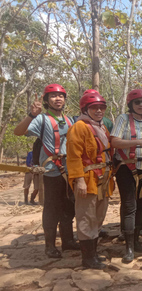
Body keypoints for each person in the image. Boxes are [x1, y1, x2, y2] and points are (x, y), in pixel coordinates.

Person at [14, 84, 78, 258]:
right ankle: (49, 246)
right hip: (52, 170)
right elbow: (18, 132)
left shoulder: (70, 120)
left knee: (69, 206)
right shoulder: (41, 119)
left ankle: (68, 241)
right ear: (46, 100)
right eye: (53, 96)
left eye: (60, 96)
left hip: (70, 169)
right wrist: (31, 115)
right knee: (52, 208)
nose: (58, 99)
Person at [66, 92, 114, 269]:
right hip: (87, 179)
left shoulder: (102, 128)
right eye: (95, 108)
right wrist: (79, 180)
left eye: (102, 107)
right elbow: (73, 156)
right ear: (86, 109)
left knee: (97, 217)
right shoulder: (79, 127)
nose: (99, 110)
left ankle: (93, 254)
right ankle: (87, 259)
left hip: (103, 178)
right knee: (86, 218)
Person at [111, 89, 142, 263]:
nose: (141, 105)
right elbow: (114, 141)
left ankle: (136, 240)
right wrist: (138, 142)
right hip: (126, 168)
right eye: (137, 102)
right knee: (130, 205)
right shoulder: (123, 119)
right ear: (131, 104)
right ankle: (128, 247)